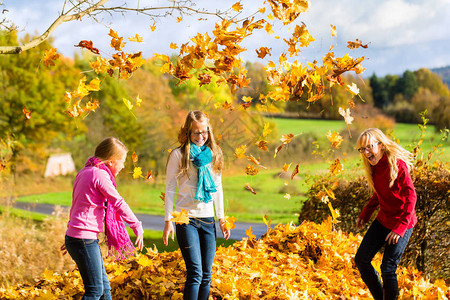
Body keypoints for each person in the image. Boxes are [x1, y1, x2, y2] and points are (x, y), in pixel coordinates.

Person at [64, 137, 144, 300]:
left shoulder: (84, 172)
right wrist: (136, 224)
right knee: (94, 291)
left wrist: (72, 236)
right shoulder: (99, 175)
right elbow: (118, 202)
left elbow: (76, 205)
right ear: (112, 161)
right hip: (83, 240)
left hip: (80, 239)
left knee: (104, 289)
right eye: (122, 161)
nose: (123, 166)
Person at [163, 110, 230, 300]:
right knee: (195, 273)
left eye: (204, 132)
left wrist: (221, 218)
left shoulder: (215, 154)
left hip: (208, 219)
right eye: (195, 133)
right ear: (187, 133)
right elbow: (169, 188)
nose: (200, 137)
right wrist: (168, 221)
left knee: (207, 276)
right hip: (186, 219)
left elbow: (218, 187)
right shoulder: (178, 155)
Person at [354, 128, 417, 300]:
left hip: (402, 223)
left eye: (369, 147)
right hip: (384, 220)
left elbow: (411, 197)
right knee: (361, 259)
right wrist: (366, 213)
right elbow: (379, 193)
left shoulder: (398, 165)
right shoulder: (374, 168)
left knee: (388, 267)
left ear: (381, 145)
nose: (366, 152)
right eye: (362, 149)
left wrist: (400, 229)